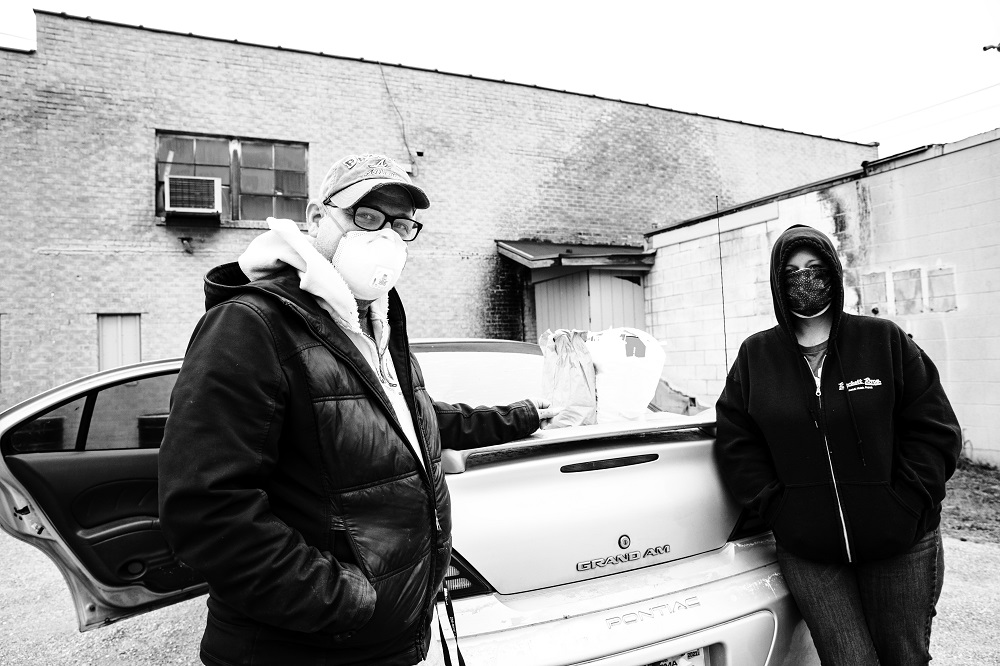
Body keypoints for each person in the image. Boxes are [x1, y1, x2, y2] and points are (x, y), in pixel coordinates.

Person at [159, 153, 555, 666]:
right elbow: (206, 508)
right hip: (306, 648)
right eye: (366, 216)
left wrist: (527, 414)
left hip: (387, 639)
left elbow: (412, 421)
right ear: (317, 218)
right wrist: (344, 601)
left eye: (401, 224)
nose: (385, 236)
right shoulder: (250, 325)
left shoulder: (375, 325)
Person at [714, 224, 962, 665]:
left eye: (813, 268)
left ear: (833, 271)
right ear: (776, 281)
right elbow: (738, 442)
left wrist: (906, 502)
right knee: (849, 660)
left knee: (904, 657)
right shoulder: (757, 356)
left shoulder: (882, 340)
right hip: (811, 551)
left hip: (902, 540)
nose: (804, 280)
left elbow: (934, 428)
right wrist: (779, 508)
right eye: (791, 273)